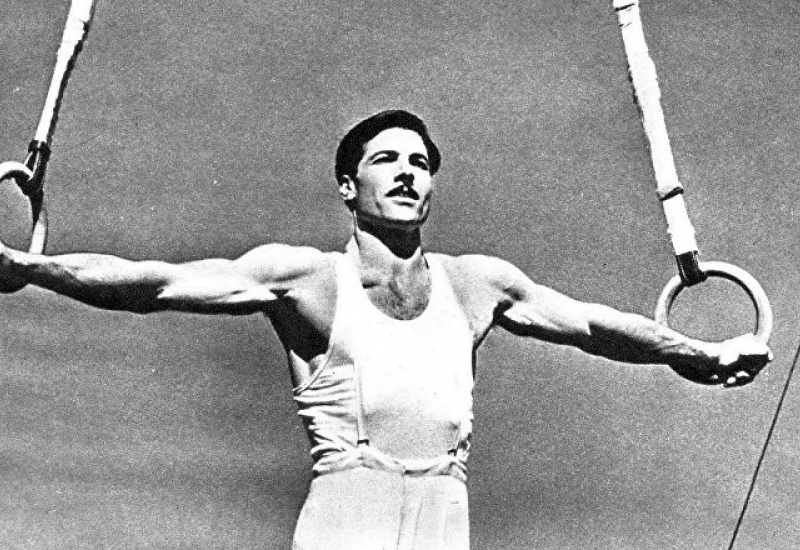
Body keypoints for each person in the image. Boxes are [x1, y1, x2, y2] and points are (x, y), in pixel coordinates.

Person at [0, 109, 772, 550]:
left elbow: (595, 326)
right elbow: (156, 283)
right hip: (348, 509)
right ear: (349, 185)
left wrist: (694, 351)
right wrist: (30, 268)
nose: (406, 171)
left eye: (419, 162)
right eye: (385, 160)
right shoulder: (302, 279)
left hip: (443, 515)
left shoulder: (478, 284)